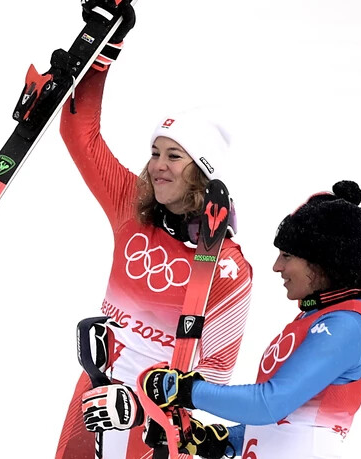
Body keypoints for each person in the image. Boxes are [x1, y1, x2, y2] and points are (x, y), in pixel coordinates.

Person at [54, 2, 253, 458]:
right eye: (155, 152)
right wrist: (103, 52)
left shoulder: (228, 270)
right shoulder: (132, 208)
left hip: (155, 418)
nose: (158, 166)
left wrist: (142, 408)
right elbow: (78, 132)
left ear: (202, 172)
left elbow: (218, 377)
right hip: (96, 388)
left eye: (174, 156)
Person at [89, 180, 361, 459]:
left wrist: (185, 390)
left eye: (287, 255)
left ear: (322, 260)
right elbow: (282, 427)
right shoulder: (319, 318)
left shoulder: (347, 327)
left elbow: (270, 403)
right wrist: (218, 440)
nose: (276, 266)